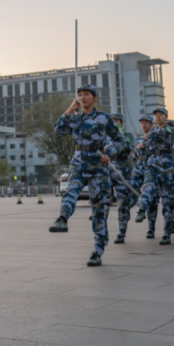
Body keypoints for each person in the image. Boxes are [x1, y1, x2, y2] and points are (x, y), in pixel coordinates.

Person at [48, 85, 126, 267]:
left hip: (98, 165)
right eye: (80, 95)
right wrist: (69, 110)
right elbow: (58, 130)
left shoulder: (104, 118)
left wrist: (109, 153)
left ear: (95, 98)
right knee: (71, 190)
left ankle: (98, 251)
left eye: (86, 94)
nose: (82, 97)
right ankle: (62, 219)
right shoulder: (75, 118)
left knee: (99, 210)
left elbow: (120, 139)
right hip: (78, 162)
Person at [135, 107, 174, 241]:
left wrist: (146, 138)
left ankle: (167, 233)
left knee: (167, 201)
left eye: (161, 115)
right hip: (151, 166)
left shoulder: (170, 129)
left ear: (166, 117)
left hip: (166, 168)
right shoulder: (151, 132)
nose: (157, 117)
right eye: (156, 115)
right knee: (148, 190)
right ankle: (142, 211)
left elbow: (158, 135)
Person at [114, 114, 156, 243]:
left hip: (153, 169)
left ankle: (151, 228)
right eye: (142, 123)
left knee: (152, 198)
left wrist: (146, 143)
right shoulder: (137, 139)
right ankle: (121, 232)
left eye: (146, 123)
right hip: (138, 169)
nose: (144, 125)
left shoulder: (156, 137)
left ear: (151, 125)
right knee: (126, 198)